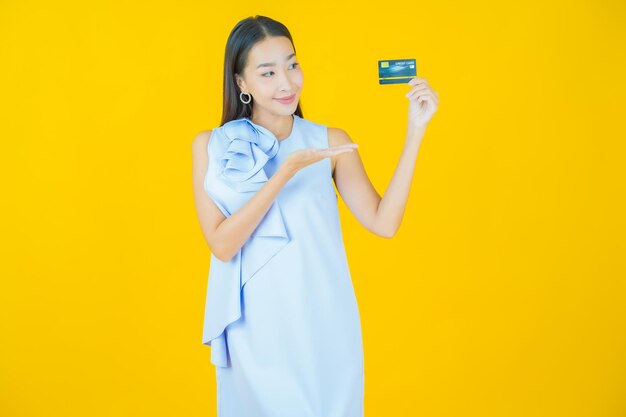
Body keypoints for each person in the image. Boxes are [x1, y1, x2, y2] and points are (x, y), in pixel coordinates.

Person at [191, 15, 439, 417]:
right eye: (268, 72)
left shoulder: (330, 142)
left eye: (292, 64)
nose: (287, 82)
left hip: (326, 321)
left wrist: (415, 131)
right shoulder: (210, 146)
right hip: (259, 329)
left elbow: (384, 223)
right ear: (241, 83)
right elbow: (222, 245)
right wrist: (286, 170)